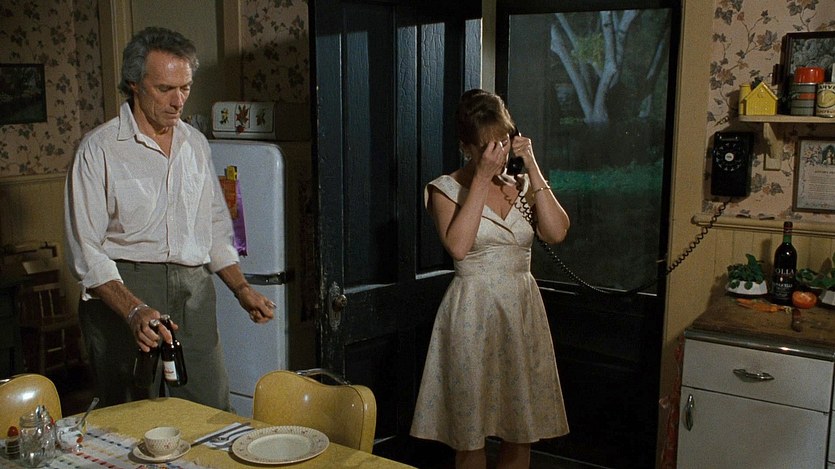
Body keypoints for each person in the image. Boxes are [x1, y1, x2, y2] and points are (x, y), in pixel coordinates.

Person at [64, 27, 275, 410]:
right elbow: (86, 250)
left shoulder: (194, 143)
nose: (178, 101)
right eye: (165, 89)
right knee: (132, 413)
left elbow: (213, 227)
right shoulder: (99, 149)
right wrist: (133, 309)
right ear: (134, 83)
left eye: (185, 88)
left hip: (193, 293)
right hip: (124, 291)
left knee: (210, 408)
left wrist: (242, 289)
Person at [410, 89, 571, 469]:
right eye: (486, 147)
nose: (496, 153)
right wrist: (482, 178)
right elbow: (458, 246)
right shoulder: (445, 189)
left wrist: (532, 165)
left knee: (520, 430)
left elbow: (556, 232)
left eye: (503, 140)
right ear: (466, 148)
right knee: (470, 435)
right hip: (472, 314)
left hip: (521, 312)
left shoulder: (521, 184)